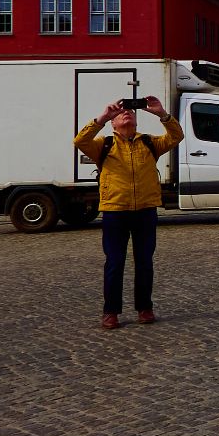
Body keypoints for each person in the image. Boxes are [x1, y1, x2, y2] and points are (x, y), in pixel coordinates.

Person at [75, 95, 184, 330]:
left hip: (145, 210)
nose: (127, 114)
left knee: (144, 262)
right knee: (115, 262)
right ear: (114, 124)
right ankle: (111, 312)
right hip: (115, 210)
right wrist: (103, 117)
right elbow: (80, 141)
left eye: (131, 113)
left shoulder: (149, 143)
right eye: (122, 113)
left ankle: (144, 308)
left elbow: (176, 136)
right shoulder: (104, 144)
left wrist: (161, 114)